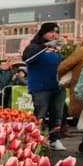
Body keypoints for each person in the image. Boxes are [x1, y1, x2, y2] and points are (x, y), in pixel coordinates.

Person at [23, 22, 66, 150]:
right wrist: (45, 47)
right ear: (43, 33)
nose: (54, 35)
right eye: (51, 32)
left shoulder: (58, 48)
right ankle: (35, 139)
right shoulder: (34, 46)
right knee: (40, 115)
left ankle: (55, 139)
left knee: (57, 115)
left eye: (56, 32)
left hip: (58, 86)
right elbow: (27, 59)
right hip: (40, 87)